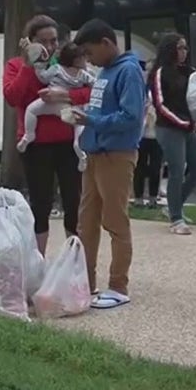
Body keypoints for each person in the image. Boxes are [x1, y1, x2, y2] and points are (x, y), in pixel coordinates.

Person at [70, 19, 145, 310]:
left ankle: (118, 285)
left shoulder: (128, 71)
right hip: (95, 154)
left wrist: (92, 121)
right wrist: (87, 115)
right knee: (86, 222)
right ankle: (85, 282)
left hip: (117, 154)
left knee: (115, 221)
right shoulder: (105, 70)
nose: (89, 60)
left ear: (106, 43)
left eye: (90, 53)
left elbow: (131, 116)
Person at [2, 15, 92, 254]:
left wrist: (67, 96)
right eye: (44, 42)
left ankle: (74, 262)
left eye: (54, 41)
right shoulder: (15, 65)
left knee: (73, 202)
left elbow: (91, 90)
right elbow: (13, 97)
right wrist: (27, 65)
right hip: (37, 144)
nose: (50, 47)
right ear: (30, 42)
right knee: (40, 204)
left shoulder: (64, 63)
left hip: (67, 141)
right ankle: (37, 262)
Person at [148, 33, 196, 236]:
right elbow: (160, 104)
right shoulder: (160, 73)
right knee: (177, 169)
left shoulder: (189, 72)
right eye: (180, 48)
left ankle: (175, 205)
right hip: (169, 127)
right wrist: (183, 122)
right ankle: (175, 217)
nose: (184, 52)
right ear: (170, 49)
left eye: (185, 48)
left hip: (188, 127)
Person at [17, 42, 93, 167]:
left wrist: (39, 66)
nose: (86, 60)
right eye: (83, 57)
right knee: (78, 126)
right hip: (65, 108)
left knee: (31, 110)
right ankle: (81, 154)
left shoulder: (57, 68)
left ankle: (29, 134)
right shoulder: (83, 74)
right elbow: (95, 85)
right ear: (77, 59)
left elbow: (43, 78)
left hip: (48, 102)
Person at [132, 94, 162, 208]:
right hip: (142, 136)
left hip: (157, 136)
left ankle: (153, 198)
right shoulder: (142, 96)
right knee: (139, 167)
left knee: (155, 168)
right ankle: (138, 198)